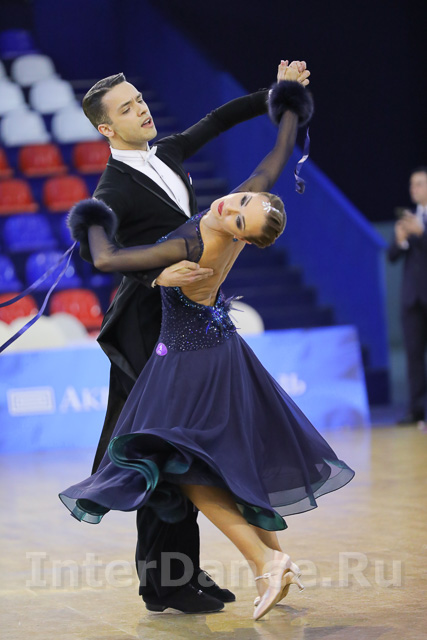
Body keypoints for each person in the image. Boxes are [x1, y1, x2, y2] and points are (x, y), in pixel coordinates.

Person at [60, 77, 354, 622]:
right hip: (145, 327)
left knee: (182, 451)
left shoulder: (169, 152)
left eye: (141, 100)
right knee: (162, 455)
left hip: (185, 317)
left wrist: (276, 94)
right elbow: (103, 256)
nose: (141, 110)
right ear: (106, 128)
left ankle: (183, 573)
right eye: (127, 108)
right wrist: (155, 276)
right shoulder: (111, 188)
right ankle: (167, 583)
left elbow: (218, 121)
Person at [388, 167, 427, 425]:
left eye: (420, 183)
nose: (414, 188)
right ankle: (416, 409)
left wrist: (421, 233)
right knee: (413, 356)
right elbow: (392, 256)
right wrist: (401, 239)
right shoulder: (410, 219)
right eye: (412, 184)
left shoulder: (420, 225)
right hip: (412, 298)